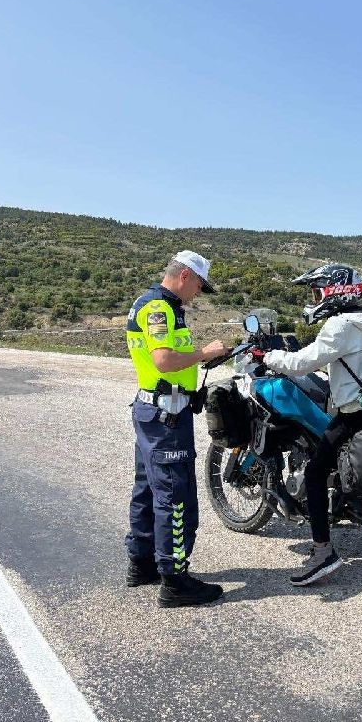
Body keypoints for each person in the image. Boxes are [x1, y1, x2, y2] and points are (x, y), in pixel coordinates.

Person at [252, 263, 362, 586]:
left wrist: (267, 357)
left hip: (353, 413)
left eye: (318, 292)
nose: (315, 299)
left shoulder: (339, 326)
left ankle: (323, 552)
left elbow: (302, 364)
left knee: (314, 472)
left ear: (334, 292)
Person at [124, 250, 228, 607]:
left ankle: (142, 565)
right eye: (199, 284)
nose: (198, 292)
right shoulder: (159, 308)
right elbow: (164, 361)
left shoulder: (155, 304)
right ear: (185, 275)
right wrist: (203, 353)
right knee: (175, 495)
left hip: (154, 412)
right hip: (165, 417)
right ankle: (175, 580)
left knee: (148, 489)